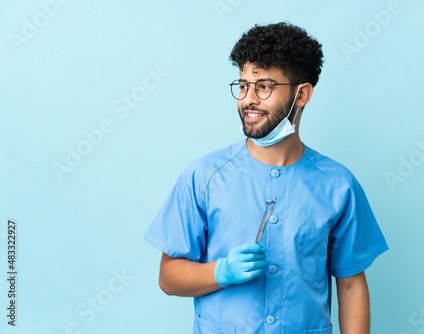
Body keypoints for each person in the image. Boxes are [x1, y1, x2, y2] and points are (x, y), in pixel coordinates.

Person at [144, 22, 388, 334]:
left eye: (264, 86)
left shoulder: (338, 185)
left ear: (302, 95)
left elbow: (351, 285)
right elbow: (168, 278)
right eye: (243, 85)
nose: (248, 99)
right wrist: (221, 272)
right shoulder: (204, 176)